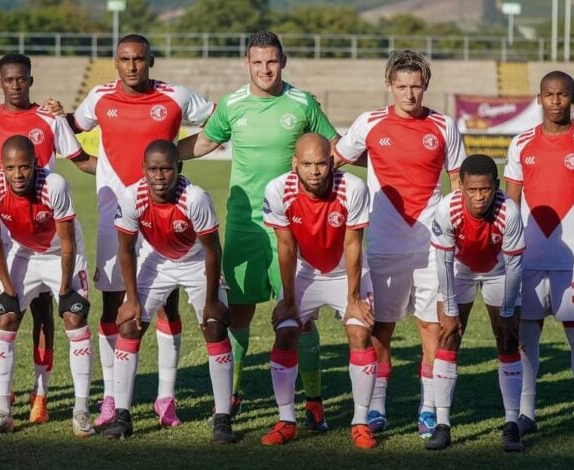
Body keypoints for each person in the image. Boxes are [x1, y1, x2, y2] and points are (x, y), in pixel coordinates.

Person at [178, 31, 338, 428]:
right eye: (257, 62)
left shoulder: (302, 103)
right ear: (247, 64)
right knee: (239, 314)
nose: (265, 69)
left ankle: (314, 398)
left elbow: (334, 148)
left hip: (291, 224)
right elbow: (202, 144)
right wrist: (155, 154)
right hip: (245, 225)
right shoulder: (233, 104)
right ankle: (231, 393)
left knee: (299, 316)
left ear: (282, 61)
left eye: (271, 61)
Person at [70, 33, 216, 427]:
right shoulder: (100, 97)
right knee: (115, 306)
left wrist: (177, 154)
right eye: (124, 59)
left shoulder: (177, 96)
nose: (132, 65)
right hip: (113, 218)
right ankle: (112, 399)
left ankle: (165, 399)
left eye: (139, 59)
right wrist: (93, 163)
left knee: (167, 307)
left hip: (164, 216)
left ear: (151, 61)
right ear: (115, 62)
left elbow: (218, 123)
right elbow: (70, 127)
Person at [334, 50, 465, 437]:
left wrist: (456, 237)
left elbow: (457, 185)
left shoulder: (444, 126)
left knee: (432, 326)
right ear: (389, 85)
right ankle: (376, 408)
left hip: (430, 248)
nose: (409, 94)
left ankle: (428, 409)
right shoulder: (369, 123)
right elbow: (332, 161)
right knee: (382, 330)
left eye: (416, 86)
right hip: (383, 243)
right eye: (402, 86)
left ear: (425, 86)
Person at [0, 53, 96, 424]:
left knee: (49, 313)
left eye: (22, 79)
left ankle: (43, 392)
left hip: (51, 230)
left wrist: (124, 172)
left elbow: (81, 159)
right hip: (7, 239)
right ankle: (1, 402)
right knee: (3, 312)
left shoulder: (49, 120)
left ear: (30, 80)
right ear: (0, 81)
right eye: (9, 79)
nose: (15, 85)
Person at [103, 140, 236, 444]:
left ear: (179, 168)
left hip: (196, 261)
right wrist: (132, 300)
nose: (159, 176)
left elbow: (213, 249)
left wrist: (213, 300)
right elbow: (126, 250)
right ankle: (122, 415)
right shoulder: (131, 197)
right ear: (143, 170)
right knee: (128, 324)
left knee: (215, 328)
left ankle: (223, 417)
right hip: (157, 261)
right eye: (153, 169)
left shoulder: (195, 198)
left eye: (166, 169)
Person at [505, 71, 574, 443]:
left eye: (562, 95)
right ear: (539, 98)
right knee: (527, 336)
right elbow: (510, 207)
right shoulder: (520, 145)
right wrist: (509, 259)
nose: (555, 101)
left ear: (573, 98)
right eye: (548, 94)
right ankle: (527, 414)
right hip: (528, 261)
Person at [261, 133, 377, 448]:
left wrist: (353, 300)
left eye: (322, 164)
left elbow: (354, 244)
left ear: (332, 162)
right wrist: (287, 299)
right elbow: (284, 245)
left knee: (359, 333)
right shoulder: (277, 190)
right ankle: (286, 420)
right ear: (294, 163)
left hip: (346, 272)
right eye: (308, 164)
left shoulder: (353, 188)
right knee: (286, 331)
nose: (315, 171)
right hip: (305, 272)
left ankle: (361, 422)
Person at [0, 136, 95, 438]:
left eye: (24, 167)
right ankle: (3, 411)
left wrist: (66, 288)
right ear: (0, 167)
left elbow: (67, 242)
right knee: (5, 317)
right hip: (23, 251)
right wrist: (7, 288)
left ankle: (81, 410)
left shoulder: (54, 185)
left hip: (60, 253)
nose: (18, 174)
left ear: (36, 165)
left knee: (73, 317)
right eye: (11, 167)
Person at [429, 154, 525, 451]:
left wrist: (508, 309)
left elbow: (514, 267)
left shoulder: (509, 210)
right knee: (447, 335)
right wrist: (451, 308)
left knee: (508, 338)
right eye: (472, 190)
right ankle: (443, 424)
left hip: (499, 273)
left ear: (496, 186)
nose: (479, 196)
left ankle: (511, 423)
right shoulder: (446, 209)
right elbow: (443, 263)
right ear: (461, 188)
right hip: (459, 271)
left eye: (485, 189)